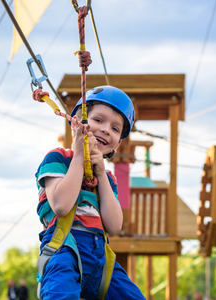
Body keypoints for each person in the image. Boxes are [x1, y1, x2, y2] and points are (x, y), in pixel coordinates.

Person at [35, 86, 145, 299]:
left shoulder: (107, 178)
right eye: (98, 120)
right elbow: (61, 205)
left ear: (118, 143)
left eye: (115, 128)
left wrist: (102, 175)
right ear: (77, 121)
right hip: (64, 249)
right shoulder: (59, 158)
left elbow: (113, 226)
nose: (105, 130)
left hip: (100, 256)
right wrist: (78, 157)